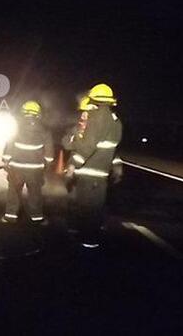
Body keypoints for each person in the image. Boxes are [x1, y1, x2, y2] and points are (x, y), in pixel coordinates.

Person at [68, 83, 123, 248]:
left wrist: (72, 165)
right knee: (92, 207)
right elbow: (111, 148)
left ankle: (89, 240)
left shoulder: (98, 118)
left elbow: (88, 146)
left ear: (94, 100)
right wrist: (117, 166)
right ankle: (86, 234)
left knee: (89, 208)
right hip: (101, 174)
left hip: (90, 172)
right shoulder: (116, 121)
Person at [0, 101, 54, 223]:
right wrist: (47, 164)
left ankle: (10, 216)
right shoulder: (44, 130)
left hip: (16, 167)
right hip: (35, 169)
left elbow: (9, 145)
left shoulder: (16, 127)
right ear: (38, 114)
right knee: (35, 193)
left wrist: (6, 161)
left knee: (13, 191)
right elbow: (49, 152)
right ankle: (37, 217)